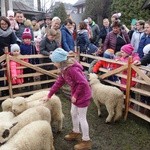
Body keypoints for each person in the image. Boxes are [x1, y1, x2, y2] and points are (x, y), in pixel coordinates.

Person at [42, 48, 92, 150]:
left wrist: (75, 95)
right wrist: (49, 95)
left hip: (83, 95)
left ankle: (86, 141)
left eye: (54, 62)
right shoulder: (63, 70)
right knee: (73, 113)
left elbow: (83, 83)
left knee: (82, 117)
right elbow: (59, 82)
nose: (53, 63)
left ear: (60, 62)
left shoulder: (72, 69)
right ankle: (76, 132)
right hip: (76, 95)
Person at [0, 16, 17, 96]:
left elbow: (14, 42)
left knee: (9, 72)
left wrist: (13, 51)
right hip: (0, 55)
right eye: (2, 24)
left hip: (9, 55)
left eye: (5, 24)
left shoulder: (11, 32)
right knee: (0, 74)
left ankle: (8, 90)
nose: (4, 25)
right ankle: (2, 90)